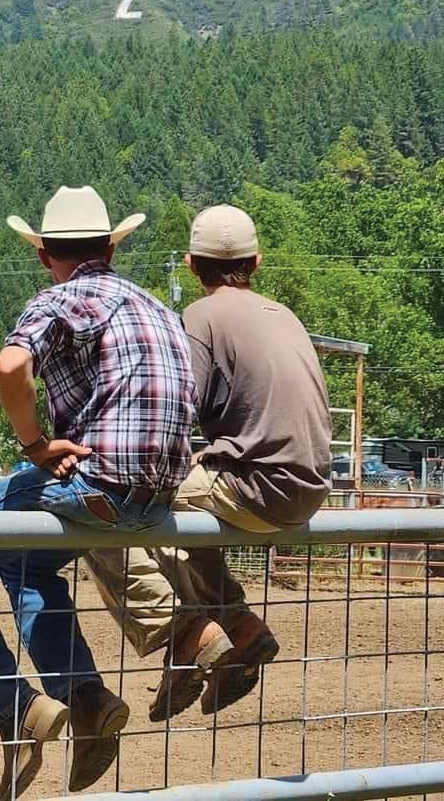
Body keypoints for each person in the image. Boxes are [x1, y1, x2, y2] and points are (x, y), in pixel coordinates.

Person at [0, 186, 200, 801]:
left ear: (45, 254)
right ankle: (87, 698)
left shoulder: (62, 297)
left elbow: (10, 367)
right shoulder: (151, 303)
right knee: (27, 561)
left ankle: (10, 705)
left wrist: (35, 442)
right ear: (111, 248)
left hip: (96, 480)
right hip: (160, 493)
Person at [89, 205, 332, 718]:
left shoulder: (200, 316)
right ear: (257, 262)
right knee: (185, 516)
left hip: (258, 486)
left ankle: (185, 637)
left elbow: (179, 405)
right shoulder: (284, 315)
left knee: (118, 501)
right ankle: (239, 627)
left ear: (191, 264)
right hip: (310, 485)